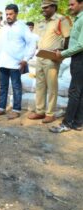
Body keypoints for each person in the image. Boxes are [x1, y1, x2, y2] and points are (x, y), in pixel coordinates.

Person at [28, 0, 71, 123]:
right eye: (43, 7)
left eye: (46, 7)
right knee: (40, 86)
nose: (43, 10)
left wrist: (62, 52)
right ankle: (40, 111)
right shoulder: (40, 22)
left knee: (52, 86)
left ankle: (50, 113)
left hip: (52, 58)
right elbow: (36, 39)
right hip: (40, 56)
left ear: (53, 7)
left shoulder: (61, 20)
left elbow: (67, 38)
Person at [0, 4, 36, 120]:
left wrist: (25, 60)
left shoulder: (23, 27)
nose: (8, 16)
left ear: (16, 14)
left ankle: (16, 110)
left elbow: (31, 44)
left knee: (16, 87)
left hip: (16, 63)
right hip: (2, 62)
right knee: (3, 87)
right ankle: (1, 108)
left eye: (10, 14)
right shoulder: (3, 28)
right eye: (6, 14)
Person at [50, 0, 83, 133]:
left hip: (80, 59)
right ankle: (78, 122)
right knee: (80, 93)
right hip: (78, 58)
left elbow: (80, 44)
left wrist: (63, 53)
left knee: (74, 92)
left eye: (72, 4)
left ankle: (67, 123)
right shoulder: (77, 19)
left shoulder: (82, 19)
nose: (69, 7)